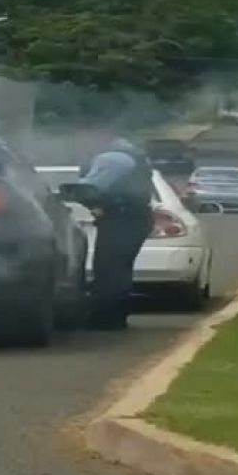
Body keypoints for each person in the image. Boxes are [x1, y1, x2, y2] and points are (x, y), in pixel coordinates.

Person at [77, 132, 155, 329]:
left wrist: (72, 193)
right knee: (119, 269)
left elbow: (91, 186)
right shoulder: (131, 155)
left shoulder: (112, 158)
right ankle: (116, 317)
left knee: (108, 269)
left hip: (122, 218)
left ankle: (104, 319)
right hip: (133, 218)